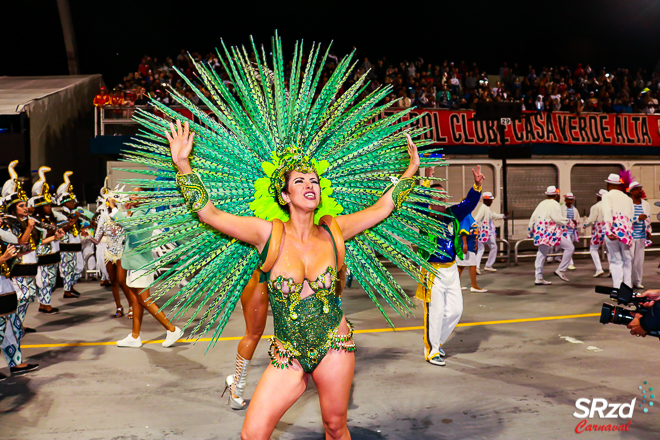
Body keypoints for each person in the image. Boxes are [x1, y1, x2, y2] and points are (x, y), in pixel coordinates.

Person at [118, 38, 445, 439]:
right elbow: (210, 213)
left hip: (336, 346)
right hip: (287, 353)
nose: (310, 184)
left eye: (314, 180)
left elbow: (382, 208)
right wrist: (183, 166)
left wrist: (411, 168)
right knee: (252, 433)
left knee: (335, 426)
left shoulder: (334, 229)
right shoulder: (267, 234)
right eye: (299, 181)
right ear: (285, 195)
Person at [416, 165, 484, 365]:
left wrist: (477, 186)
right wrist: (426, 182)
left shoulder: (453, 214)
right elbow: (419, 204)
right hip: (432, 271)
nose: (440, 200)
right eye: (435, 197)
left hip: (451, 269)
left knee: (455, 311)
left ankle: (436, 343)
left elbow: (469, 203)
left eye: (442, 197)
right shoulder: (424, 217)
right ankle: (431, 351)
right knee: (434, 312)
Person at [112, 188, 183, 348]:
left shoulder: (144, 213)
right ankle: (135, 336)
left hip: (141, 264)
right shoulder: (138, 211)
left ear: (146, 197)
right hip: (135, 263)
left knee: (145, 299)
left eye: (136, 194)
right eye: (132, 193)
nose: (131, 196)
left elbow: (130, 227)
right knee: (138, 300)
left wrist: (115, 210)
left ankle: (172, 330)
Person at [2, 161, 63, 332]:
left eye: (25, 205)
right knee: (22, 296)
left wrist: (52, 237)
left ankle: (17, 325)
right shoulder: (10, 223)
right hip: (17, 266)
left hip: (30, 264)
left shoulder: (27, 222)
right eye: (21, 206)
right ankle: (14, 326)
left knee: (28, 296)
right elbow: (20, 243)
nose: (26, 208)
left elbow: (34, 245)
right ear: (13, 208)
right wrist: (29, 227)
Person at [85, 191, 132, 318]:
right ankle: (119, 307)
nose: (110, 204)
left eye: (112, 202)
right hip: (109, 253)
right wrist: (88, 236)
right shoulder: (103, 218)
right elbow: (97, 240)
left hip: (121, 252)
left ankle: (132, 305)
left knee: (122, 281)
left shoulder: (123, 216)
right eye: (109, 202)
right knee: (113, 282)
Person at [0, 235, 39, 376]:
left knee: (12, 330)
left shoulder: (1, 238)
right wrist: (4, 257)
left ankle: (16, 363)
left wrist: (17, 255)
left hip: (5, 288)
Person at [30, 166, 66, 314]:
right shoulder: (36, 221)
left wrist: (57, 234)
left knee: (50, 281)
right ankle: (45, 305)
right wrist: (53, 233)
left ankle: (45, 303)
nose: (49, 207)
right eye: (46, 205)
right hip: (43, 254)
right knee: (44, 281)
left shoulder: (50, 218)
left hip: (53, 253)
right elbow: (39, 240)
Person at [528, 186, 569, 285]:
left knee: (541, 254)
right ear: (556, 195)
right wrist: (569, 222)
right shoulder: (555, 204)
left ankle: (538, 277)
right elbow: (557, 218)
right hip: (550, 232)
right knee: (570, 247)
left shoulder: (541, 203)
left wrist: (529, 230)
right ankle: (561, 270)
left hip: (540, 232)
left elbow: (533, 217)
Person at [601, 173, 634, 288]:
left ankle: (618, 289)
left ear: (608, 184)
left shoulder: (607, 196)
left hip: (613, 231)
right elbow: (631, 216)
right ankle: (627, 289)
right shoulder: (628, 198)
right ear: (619, 185)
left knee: (616, 261)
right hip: (626, 232)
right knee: (627, 260)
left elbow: (607, 213)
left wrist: (608, 231)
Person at [55, 172, 84, 299]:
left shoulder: (72, 212)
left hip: (75, 245)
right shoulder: (60, 213)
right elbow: (64, 227)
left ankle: (71, 287)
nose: (74, 203)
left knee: (78, 267)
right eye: (71, 201)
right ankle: (67, 290)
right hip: (66, 245)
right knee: (68, 268)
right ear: (65, 202)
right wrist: (74, 218)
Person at [473, 192, 505, 273]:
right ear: (486, 200)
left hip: (487, 232)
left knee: (493, 247)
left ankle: (487, 265)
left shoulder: (486, 208)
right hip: (483, 232)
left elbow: (493, 216)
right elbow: (477, 219)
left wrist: (503, 215)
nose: (492, 201)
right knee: (482, 249)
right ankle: (477, 266)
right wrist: (474, 229)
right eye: (491, 200)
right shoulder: (483, 208)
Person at [456, 209, 487, 292]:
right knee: (473, 264)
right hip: (467, 245)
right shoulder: (466, 216)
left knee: (461, 266)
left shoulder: (468, 216)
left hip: (470, 245)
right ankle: (474, 285)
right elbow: (463, 231)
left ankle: (455, 285)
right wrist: (465, 244)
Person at [629, 181, 651, 289]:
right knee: (630, 259)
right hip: (630, 236)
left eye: (640, 188)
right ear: (631, 192)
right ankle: (628, 281)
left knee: (639, 261)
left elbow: (649, 219)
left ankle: (637, 281)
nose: (640, 191)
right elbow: (625, 220)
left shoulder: (646, 204)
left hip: (642, 236)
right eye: (637, 189)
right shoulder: (628, 204)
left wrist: (649, 231)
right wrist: (637, 218)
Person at [583, 190, 608, 277]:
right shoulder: (610, 206)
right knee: (610, 250)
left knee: (593, 249)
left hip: (599, 230)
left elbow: (591, 220)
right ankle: (612, 269)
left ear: (599, 197)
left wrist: (585, 225)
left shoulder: (596, 207)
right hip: (609, 229)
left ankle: (599, 269)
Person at [560, 193, 579, 272]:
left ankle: (567, 263)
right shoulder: (561, 209)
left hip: (572, 231)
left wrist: (575, 222)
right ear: (565, 200)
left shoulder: (575, 210)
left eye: (571, 199)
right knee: (569, 247)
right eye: (568, 199)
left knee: (570, 247)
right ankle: (570, 263)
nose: (570, 201)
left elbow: (578, 220)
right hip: (565, 231)